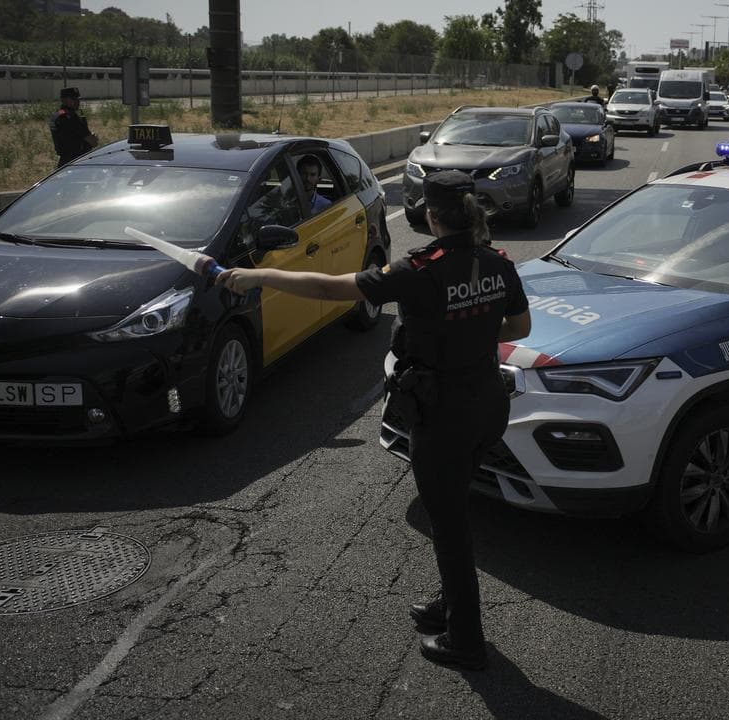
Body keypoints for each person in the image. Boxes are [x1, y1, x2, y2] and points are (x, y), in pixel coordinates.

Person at [218, 170, 532, 672]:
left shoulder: (417, 270)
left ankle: (466, 639)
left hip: (444, 413)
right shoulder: (496, 262)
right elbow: (519, 326)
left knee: (448, 524)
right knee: (454, 508)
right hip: (488, 404)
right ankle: (450, 603)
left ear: (430, 215)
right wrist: (470, 330)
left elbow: (330, 288)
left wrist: (257, 276)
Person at [49, 87, 99, 168]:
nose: (77, 102)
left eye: (77, 99)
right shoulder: (70, 117)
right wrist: (93, 137)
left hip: (65, 161)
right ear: (64, 100)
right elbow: (93, 142)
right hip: (77, 160)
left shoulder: (57, 115)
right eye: (74, 99)